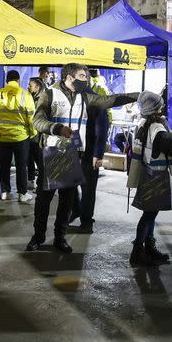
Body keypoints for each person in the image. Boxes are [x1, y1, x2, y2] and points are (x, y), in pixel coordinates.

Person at [27, 63, 140, 253]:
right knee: (44, 199)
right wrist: (56, 128)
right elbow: (37, 121)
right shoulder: (50, 94)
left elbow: (109, 100)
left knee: (67, 199)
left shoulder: (86, 96)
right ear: (70, 77)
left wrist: (139, 96)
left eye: (86, 76)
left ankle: (60, 238)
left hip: (73, 152)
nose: (86, 79)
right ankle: (38, 237)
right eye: (82, 76)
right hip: (53, 152)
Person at [129, 91, 172, 265]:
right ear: (156, 109)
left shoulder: (143, 123)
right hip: (156, 176)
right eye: (161, 105)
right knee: (149, 215)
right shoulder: (157, 129)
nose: (163, 107)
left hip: (148, 172)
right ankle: (137, 252)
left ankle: (148, 247)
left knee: (150, 214)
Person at [69, 83, 109, 234]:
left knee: (88, 188)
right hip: (76, 149)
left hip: (90, 153)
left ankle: (86, 221)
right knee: (70, 185)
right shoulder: (76, 100)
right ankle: (77, 210)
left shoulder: (95, 101)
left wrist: (98, 155)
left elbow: (101, 130)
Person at [0, 70, 36, 203]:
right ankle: (22, 194)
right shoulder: (25, 94)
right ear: (18, 80)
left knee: (4, 165)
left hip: (3, 137)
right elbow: (30, 116)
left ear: (7, 80)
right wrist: (33, 133)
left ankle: (5, 192)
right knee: (21, 165)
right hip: (21, 136)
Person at [26, 77, 45, 191]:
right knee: (29, 158)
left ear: (37, 87)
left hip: (39, 135)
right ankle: (31, 180)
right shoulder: (30, 97)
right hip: (31, 134)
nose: (28, 87)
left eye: (30, 85)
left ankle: (41, 182)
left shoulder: (43, 99)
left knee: (39, 159)